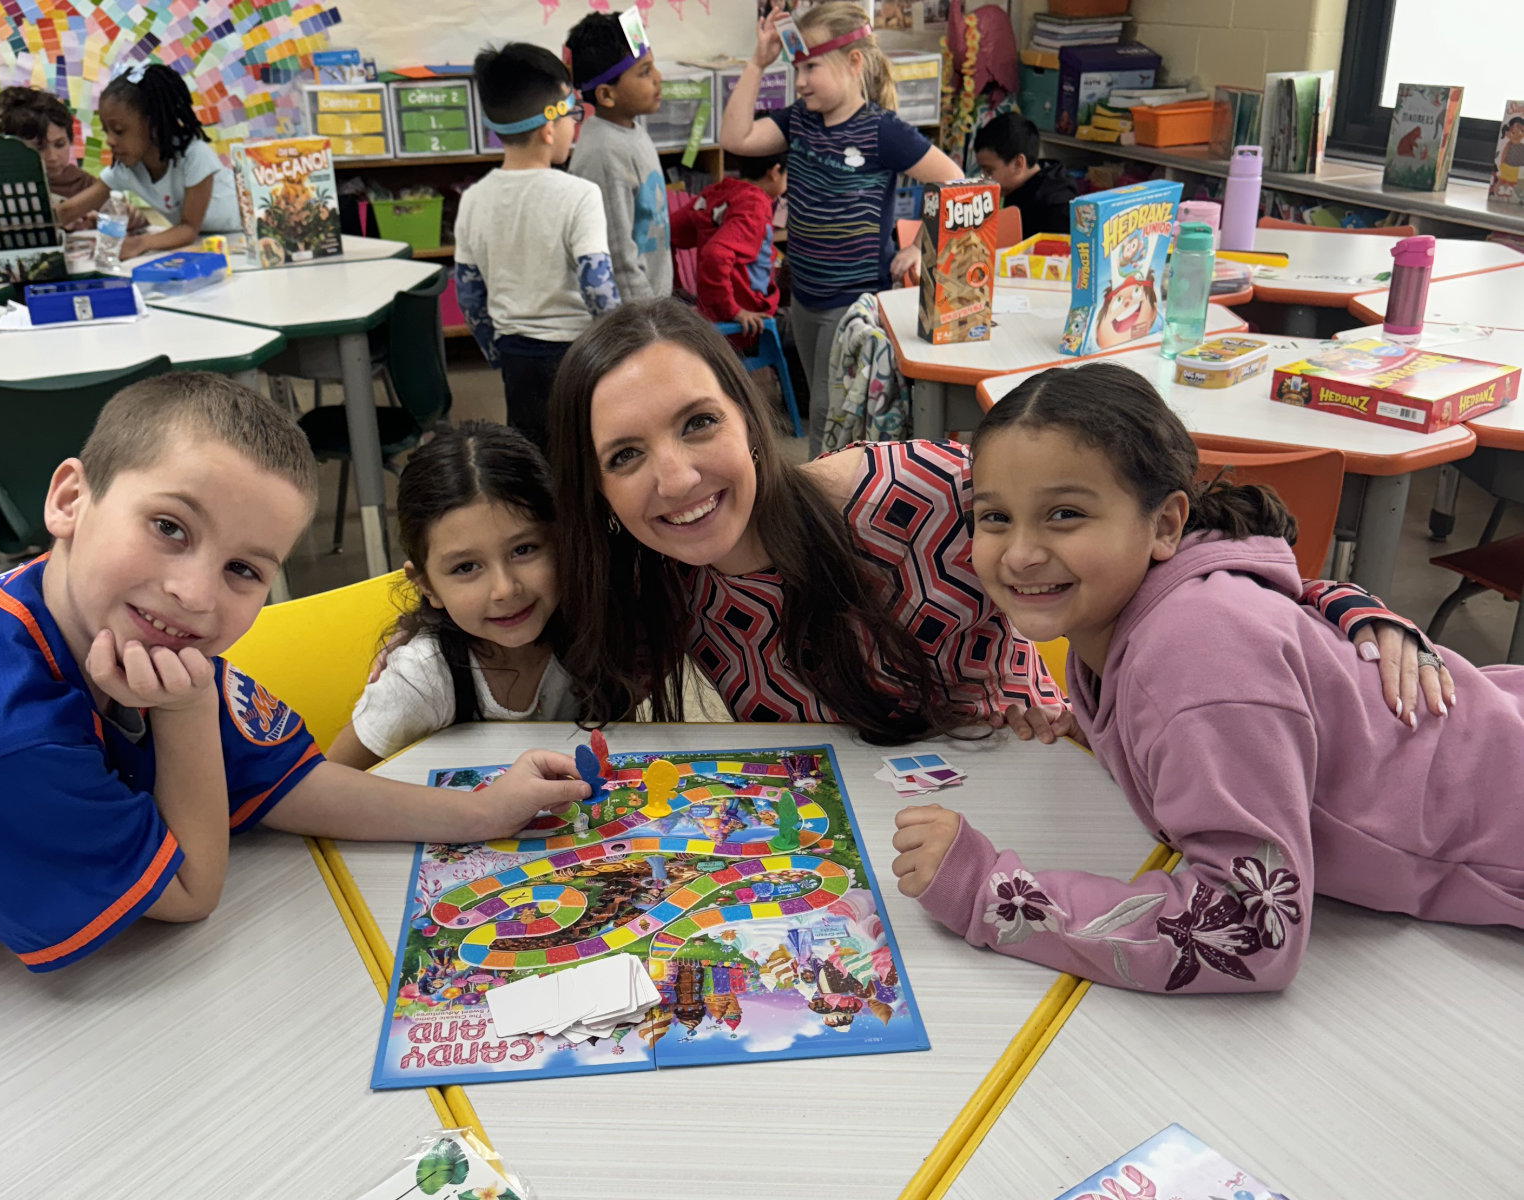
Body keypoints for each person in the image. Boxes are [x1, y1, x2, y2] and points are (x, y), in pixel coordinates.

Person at [0, 374, 589, 970]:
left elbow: (289, 781)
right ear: (70, 500)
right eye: (169, 527)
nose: (194, 593)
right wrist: (188, 708)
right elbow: (190, 892)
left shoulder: (105, 618)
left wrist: (483, 809)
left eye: (243, 570)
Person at [893, 361, 1510, 996]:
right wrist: (1107, 732)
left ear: (1165, 525)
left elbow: (1251, 930)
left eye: (1065, 514)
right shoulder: (1134, 614)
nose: (1019, 553)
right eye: (994, 518)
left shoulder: (1197, 652)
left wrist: (985, 891)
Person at [549, 298, 1063, 744]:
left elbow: (1113, 551)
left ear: (748, 417)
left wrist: (1101, 710)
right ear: (599, 490)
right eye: (625, 456)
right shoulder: (653, 585)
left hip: (1042, 785)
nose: (677, 480)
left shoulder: (925, 492)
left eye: (699, 422)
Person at [721, 2, 963, 455]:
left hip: (851, 306)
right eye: (797, 68)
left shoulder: (881, 132)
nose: (801, 81)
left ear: (853, 62)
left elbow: (959, 184)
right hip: (806, 300)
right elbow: (736, 138)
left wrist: (919, 246)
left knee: (831, 425)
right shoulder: (798, 122)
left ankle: (822, 513)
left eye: (811, 66)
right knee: (825, 410)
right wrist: (757, 61)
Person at [327, 422, 578, 770]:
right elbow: (331, 783)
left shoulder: (590, 633)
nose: (505, 589)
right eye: (465, 568)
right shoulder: (423, 678)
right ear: (427, 585)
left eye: (523, 549)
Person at [455, 42, 618, 451]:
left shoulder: (473, 199)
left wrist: (495, 352)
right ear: (549, 127)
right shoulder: (579, 195)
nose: (574, 126)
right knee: (584, 453)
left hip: (515, 355)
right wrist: (620, 350)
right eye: (571, 114)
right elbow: (598, 288)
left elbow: (469, 294)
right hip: (576, 354)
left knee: (531, 455)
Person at [55, 62, 238, 258]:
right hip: (207, 242)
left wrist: (139, 243)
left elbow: (188, 228)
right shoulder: (127, 169)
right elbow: (69, 210)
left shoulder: (194, 156)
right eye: (106, 131)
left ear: (153, 124)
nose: (109, 141)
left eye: (118, 131)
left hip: (242, 233)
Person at [565, 9, 672, 304]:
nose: (658, 79)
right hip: (635, 315)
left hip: (654, 304)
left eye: (654, 66)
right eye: (645, 72)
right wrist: (646, 321)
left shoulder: (631, 128)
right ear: (606, 95)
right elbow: (618, 257)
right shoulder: (604, 154)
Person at [0, 87, 146, 235]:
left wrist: (129, 218)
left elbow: (129, 220)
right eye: (39, 148)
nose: (52, 157)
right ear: (13, 150)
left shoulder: (85, 184)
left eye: (60, 144)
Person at [671, 152, 787, 343]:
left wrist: (675, 289)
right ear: (774, 172)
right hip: (746, 322)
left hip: (714, 314)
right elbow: (715, 254)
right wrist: (733, 310)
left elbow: (668, 233)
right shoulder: (755, 204)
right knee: (802, 327)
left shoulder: (720, 191)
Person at [968, 112, 1077, 238]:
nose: (984, 179)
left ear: (1018, 164)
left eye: (989, 171)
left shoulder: (1057, 208)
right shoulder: (1017, 188)